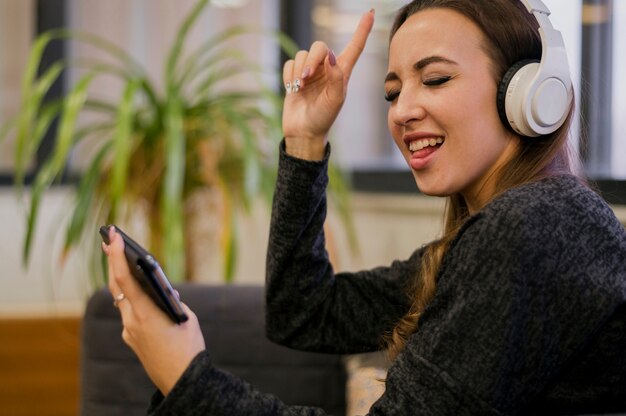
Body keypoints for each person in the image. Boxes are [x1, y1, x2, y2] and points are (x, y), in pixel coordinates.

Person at [102, 0, 626, 414]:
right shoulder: (513, 230)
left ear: (531, 94)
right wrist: (305, 139)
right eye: (391, 92)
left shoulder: (535, 228)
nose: (403, 111)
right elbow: (302, 315)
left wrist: (186, 378)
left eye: (436, 78)